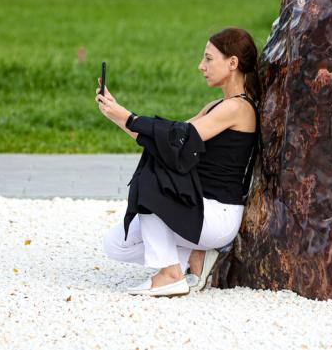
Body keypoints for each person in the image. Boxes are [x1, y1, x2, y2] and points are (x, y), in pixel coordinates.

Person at [96, 27, 261, 297]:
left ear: (232, 63)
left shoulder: (239, 108)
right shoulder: (215, 106)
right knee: (116, 244)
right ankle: (196, 257)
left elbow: (179, 138)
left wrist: (129, 116)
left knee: (153, 177)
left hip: (218, 214)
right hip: (196, 208)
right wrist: (117, 115)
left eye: (209, 59)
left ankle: (170, 274)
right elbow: (165, 139)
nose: (201, 66)